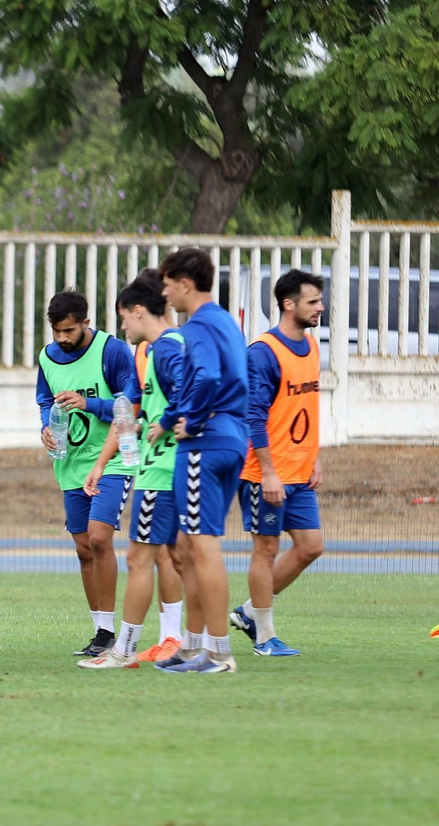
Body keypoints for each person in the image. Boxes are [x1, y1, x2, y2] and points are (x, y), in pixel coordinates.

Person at [79, 272, 188, 669]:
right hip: (156, 466)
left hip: (162, 470)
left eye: (124, 316)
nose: (122, 325)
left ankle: (133, 648)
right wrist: (105, 461)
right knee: (177, 554)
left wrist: (173, 419)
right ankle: (192, 642)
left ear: (140, 310)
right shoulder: (150, 350)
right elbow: (134, 413)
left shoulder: (167, 348)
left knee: (147, 557)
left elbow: (193, 393)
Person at [153, 248, 248, 674]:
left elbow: (207, 378)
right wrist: (173, 417)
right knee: (189, 547)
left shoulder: (199, 326)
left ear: (185, 284)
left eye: (168, 283)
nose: (165, 292)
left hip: (205, 445)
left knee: (203, 547)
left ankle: (218, 652)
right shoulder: (226, 321)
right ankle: (193, 648)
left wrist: (188, 421)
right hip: (232, 440)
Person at [37, 290, 139, 657]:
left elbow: (132, 407)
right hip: (70, 462)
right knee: (83, 549)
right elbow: (45, 400)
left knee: (99, 538)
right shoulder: (47, 358)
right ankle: (100, 632)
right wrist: (45, 428)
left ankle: (111, 631)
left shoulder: (112, 352)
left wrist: (90, 403)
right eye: (56, 331)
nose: (62, 338)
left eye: (68, 330)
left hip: (112, 460)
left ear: (85, 323)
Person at [232, 269, 326, 657]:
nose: (321, 308)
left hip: (300, 471)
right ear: (289, 304)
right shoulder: (263, 352)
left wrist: (314, 457)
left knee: (310, 546)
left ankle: (252, 611)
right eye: (312, 302)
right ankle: (265, 638)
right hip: (264, 474)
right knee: (265, 550)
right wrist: (268, 472)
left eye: (320, 301)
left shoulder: (313, 346)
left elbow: (304, 407)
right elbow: (254, 416)